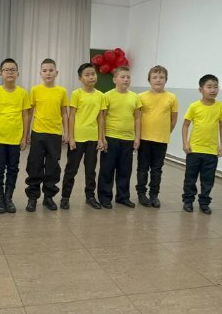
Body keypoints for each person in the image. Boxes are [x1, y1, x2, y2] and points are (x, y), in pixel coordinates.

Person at [0, 58, 31, 213]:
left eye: (13, 70)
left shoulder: (23, 93)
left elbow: (26, 115)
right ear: (1, 74)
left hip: (15, 139)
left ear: (17, 73)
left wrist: (25, 136)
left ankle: (8, 198)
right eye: (6, 70)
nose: (10, 72)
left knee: (13, 169)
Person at [25, 59, 69, 212]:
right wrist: (26, 133)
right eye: (44, 70)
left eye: (51, 70)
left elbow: (64, 113)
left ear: (56, 73)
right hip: (38, 133)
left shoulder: (61, 91)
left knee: (52, 167)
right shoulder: (35, 90)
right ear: (40, 73)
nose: (48, 73)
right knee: (34, 165)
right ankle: (32, 197)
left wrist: (66, 132)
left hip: (55, 135)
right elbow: (29, 113)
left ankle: (48, 197)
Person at [61, 63, 106, 210]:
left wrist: (101, 138)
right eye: (87, 75)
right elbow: (71, 116)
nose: (91, 77)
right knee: (71, 169)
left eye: (93, 74)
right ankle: (65, 197)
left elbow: (101, 118)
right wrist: (71, 137)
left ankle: (90, 197)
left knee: (91, 170)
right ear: (80, 78)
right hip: (77, 138)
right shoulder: (76, 94)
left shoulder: (100, 95)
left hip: (93, 138)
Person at [181, 74, 222, 214]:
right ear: (201, 89)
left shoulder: (221, 107)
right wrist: (185, 143)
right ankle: (188, 201)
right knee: (190, 178)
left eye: (215, 87)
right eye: (209, 87)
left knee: (208, 180)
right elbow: (185, 125)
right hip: (194, 149)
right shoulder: (194, 106)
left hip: (211, 151)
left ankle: (204, 203)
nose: (213, 90)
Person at [97, 66, 142, 208]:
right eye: (122, 77)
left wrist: (137, 138)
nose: (126, 80)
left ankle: (123, 197)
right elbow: (102, 118)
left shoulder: (135, 97)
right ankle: (105, 197)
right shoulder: (107, 96)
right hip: (111, 138)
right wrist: (102, 137)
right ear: (114, 79)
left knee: (125, 170)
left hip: (128, 139)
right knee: (107, 169)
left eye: (128, 77)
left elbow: (137, 118)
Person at [136, 65, 178, 208]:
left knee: (157, 169)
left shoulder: (172, 97)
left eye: (161, 77)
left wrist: (165, 132)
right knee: (142, 168)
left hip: (161, 140)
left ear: (166, 80)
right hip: (144, 138)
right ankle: (141, 193)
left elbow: (173, 120)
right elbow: (136, 117)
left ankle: (154, 195)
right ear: (149, 80)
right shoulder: (141, 97)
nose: (158, 80)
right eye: (154, 77)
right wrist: (137, 137)